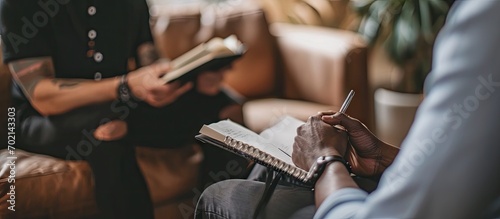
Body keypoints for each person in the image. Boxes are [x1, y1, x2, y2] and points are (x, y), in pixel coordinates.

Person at [195, 1, 500, 218]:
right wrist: (384, 158)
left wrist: (325, 161)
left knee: (221, 197)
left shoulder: (487, 20)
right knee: (269, 170)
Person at [0, 0, 241, 218]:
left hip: (119, 105)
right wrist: (126, 86)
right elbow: (42, 96)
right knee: (109, 127)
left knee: (222, 105)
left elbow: (149, 62)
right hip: (42, 119)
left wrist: (188, 81)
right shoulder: (20, 4)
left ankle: (220, 214)